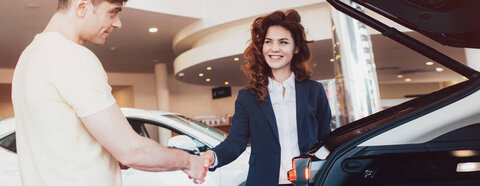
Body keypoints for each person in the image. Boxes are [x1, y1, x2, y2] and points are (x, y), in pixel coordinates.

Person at [11, 0, 208, 185]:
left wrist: (107, 158)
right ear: (82, 6)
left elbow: (59, 143)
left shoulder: (28, 57)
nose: (118, 23)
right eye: (113, 12)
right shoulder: (71, 56)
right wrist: (190, 161)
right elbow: (132, 150)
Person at [197, 9, 332, 186]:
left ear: (296, 48)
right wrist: (212, 156)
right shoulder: (247, 97)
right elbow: (235, 142)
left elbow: (326, 139)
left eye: (283, 42)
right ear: (262, 47)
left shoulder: (314, 91)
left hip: (309, 182)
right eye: (268, 42)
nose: (274, 48)